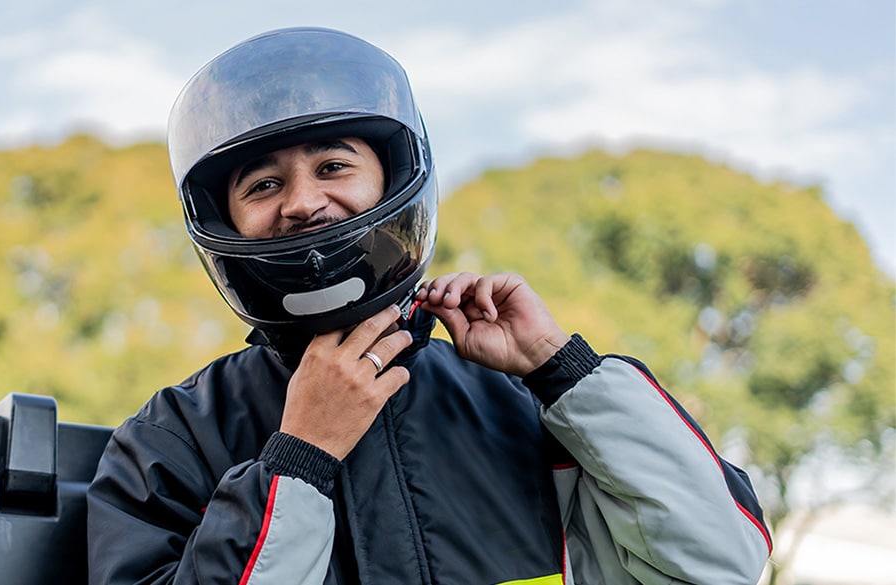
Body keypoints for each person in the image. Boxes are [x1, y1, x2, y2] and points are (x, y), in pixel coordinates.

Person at [87, 27, 772, 585]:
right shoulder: (172, 437)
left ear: (393, 176)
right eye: (264, 184)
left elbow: (719, 565)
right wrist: (298, 459)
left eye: (333, 167)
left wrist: (562, 370)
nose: (301, 202)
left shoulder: (528, 407)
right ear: (226, 222)